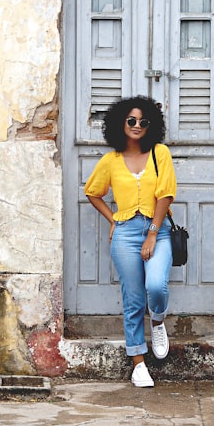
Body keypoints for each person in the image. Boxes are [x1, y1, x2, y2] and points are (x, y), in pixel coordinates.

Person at [83, 95, 176, 388]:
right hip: (124, 233)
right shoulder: (110, 161)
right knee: (134, 299)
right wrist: (113, 220)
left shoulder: (160, 154)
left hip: (156, 231)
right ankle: (138, 363)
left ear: (151, 125)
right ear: (121, 123)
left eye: (143, 121)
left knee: (155, 287)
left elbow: (166, 194)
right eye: (131, 120)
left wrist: (151, 232)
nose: (137, 126)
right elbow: (92, 192)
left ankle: (158, 321)